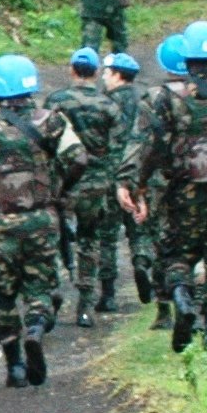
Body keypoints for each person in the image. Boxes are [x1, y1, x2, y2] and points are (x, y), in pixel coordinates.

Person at [118, 21, 207, 352]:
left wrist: (138, 185)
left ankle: (182, 299)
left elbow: (151, 148)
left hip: (182, 191)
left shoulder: (166, 96)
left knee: (175, 253)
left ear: (186, 55)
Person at [0, 55, 87, 388]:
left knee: (3, 293)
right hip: (41, 220)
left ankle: (15, 367)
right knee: (40, 287)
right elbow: (79, 158)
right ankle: (36, 329)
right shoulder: (51, 121)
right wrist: (60, 190)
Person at [45, 47, 122, 326]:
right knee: (90, 240)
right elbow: (117, 147)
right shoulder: (109, 105)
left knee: (54, 239)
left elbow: (45, 140)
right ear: (97, 72)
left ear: (72, 69)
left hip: (62, 181)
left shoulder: (56, 101)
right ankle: (86, 304)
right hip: (96, 183)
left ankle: (52, 292)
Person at [100, 49, 161, 324]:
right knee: (140, 229)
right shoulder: (147, 99)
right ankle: (141, 262)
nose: (103, 77)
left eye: (107, 72)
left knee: (108, 235)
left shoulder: (107, 103)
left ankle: (108, 293)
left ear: (116, 75)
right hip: (141, 173)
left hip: (111, 175)